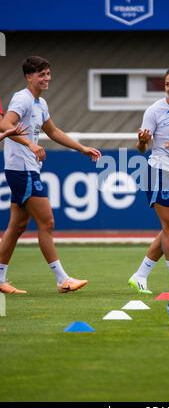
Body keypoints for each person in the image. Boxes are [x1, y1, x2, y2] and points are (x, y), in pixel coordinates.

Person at [0, 56, 100, 294]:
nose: (47, 78)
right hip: (21, 169)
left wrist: (82, 148)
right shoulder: (22, 98)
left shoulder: (40, 103)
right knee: (47, 222)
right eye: (41, 74)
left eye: (48, 74)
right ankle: (62, 279)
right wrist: (30, 145)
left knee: (17, 225)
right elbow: (5, 124)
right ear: (28, 77)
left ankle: (0, 277)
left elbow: (53, 131)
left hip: (27, 168)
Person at [128, 65, 169, 295]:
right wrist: (143, 141)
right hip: (158, 171)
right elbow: (141, 149)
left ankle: (140, 275)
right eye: (167, 85)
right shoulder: (154, 110)